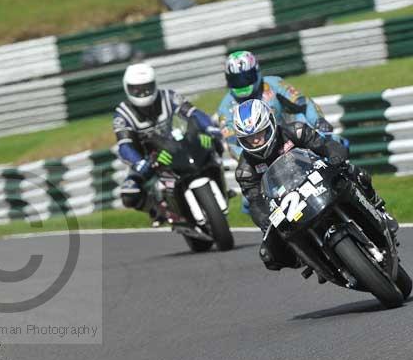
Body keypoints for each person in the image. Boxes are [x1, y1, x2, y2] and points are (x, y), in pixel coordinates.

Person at [232, 99, 397, 270]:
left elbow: (324, 145)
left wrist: (334, 155)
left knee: (354, 172)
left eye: (260, 133)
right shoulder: (245, 170)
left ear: (271, 124)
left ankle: (379, 209)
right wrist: (264, 219)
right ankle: (313, 261)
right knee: (269, 253)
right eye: (249, 138)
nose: (256, 141)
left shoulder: (296, 131)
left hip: (317, 178)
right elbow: (255, 201)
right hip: (288, 204)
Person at [114, 62, 221, 225]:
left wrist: (209, 127)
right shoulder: (122, 114)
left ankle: (219, 181)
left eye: (147, 88)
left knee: (213, 144)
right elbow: (124, 144)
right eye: (137, 89)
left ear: (154, 84)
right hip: (148, 160)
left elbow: (193, 112)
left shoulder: (169, 96)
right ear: (127, 88)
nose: (143, 93)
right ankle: (155, 209)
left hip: (178, 147)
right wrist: (138, 162)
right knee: (130, 193)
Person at [217, 50, 339, 161]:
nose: (242, 83)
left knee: (331, 141)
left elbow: (303, 103)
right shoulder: (225, 107)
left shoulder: (274, 84)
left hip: (293, 141)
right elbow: (231, 142)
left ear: (257, 72)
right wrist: (251, 160)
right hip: (261, 156)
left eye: (246, 77)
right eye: (236, 80)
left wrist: (319, 121)